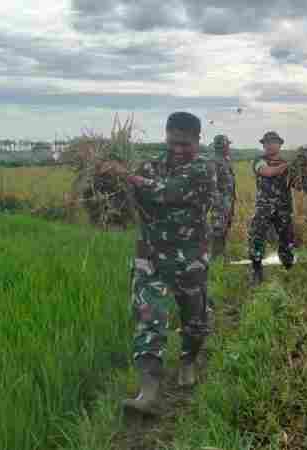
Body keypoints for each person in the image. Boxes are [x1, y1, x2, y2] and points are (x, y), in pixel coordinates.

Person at [100, 112, 217, 415]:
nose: (178, 149)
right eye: (173, 142)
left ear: (197, 141)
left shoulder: (204, 169)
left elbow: (169, 192)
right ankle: (148, 392)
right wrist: (109, 185)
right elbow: (130, 197)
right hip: (150, 256)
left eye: (185, 144)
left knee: (194, 320)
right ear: (166, 136)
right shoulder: (150, 165)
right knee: (148, 318)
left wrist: (131, 178)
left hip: (190, 258)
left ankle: (189, 360)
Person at [247, 131, 295, 286]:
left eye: (273, 142)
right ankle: (256, 270)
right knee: (257, 237)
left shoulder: (286, 163)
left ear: (280, 144)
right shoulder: (259, 161)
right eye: (267, 142)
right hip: (264, 207)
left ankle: (288, 267)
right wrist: (288, 165)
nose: (269, 145)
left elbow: (296, 182)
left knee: (286, 238)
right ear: (263, 145)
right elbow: (267, 172)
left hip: (284, 207)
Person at [208, 134, 236, 262]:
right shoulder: (214, 161)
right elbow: (212, 186)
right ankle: (215, 258)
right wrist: (218, 204)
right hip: (220, 203)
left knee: (225, 228)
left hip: (228, 201)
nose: (229, 147)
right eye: (227, 145)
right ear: (223, 146)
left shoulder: (225, 160)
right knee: (218, 229)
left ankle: (221, 254)